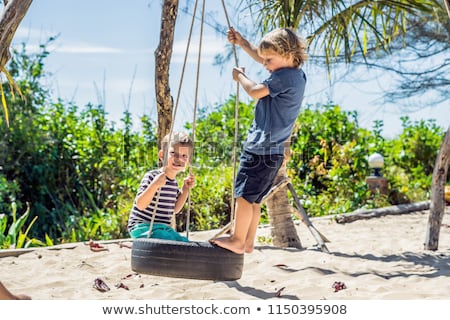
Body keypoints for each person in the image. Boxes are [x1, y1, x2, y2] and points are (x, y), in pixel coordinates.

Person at [211, 27, 308, 254]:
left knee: (243, 197)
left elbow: (255, 91)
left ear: (286, 54)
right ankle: (247, 242)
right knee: (253, 201)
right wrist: (243, 43)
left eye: (268, 60)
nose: (265, 64)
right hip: (272, 152)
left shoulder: (283, 77)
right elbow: (263, 56)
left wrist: (240, 77)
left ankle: (237, 238)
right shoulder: (295, 74)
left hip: (260, 150)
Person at [127, 132, 195, 242]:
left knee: (183, 241)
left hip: (163, 229)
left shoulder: (174, 184)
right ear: (162, 155)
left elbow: (175, 209)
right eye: (173, 153)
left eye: (184, 156)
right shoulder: (152, 176)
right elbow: (140, 204)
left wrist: (185, 189)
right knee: (170, 240)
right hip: (142, 227)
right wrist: (154, 185)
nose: (179, 159)